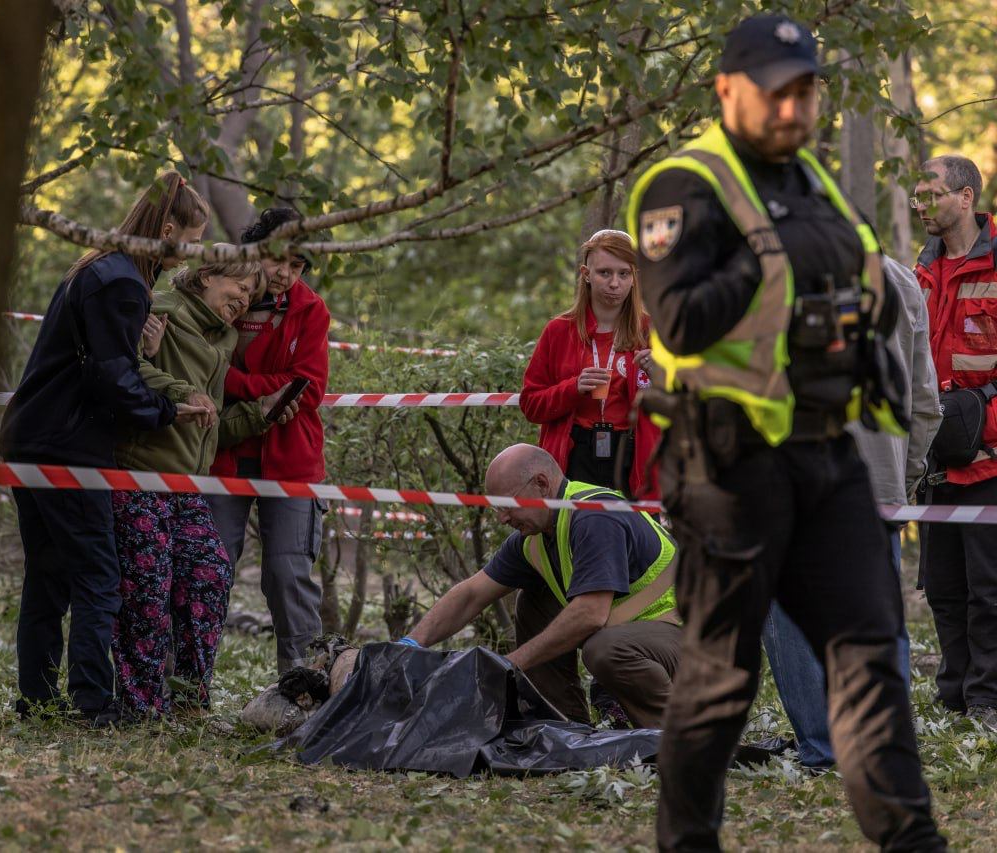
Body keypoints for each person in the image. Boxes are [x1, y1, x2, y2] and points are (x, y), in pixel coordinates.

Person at [627, 14, 943, 850]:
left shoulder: (811, 179)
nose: (792, 106)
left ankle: (913, 841)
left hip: (829, 454)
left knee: (872, 660)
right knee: (720, 680)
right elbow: (680, 321)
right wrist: (767, 264)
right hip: (730, 464)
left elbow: (863, 281)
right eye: (775, 89)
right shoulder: (683, 185)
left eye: (805, 90)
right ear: (729, 89)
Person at [0, 172, 212, 727]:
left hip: (31, 434)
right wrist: (166, 411)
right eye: (188, 240)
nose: (188, 255)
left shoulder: (96, 268)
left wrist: (138, 339)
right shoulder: (122, 282)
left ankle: (38, 700)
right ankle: (94, 704)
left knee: (47, 576)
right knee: (98, 575)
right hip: (68, 446)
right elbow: (111, 378)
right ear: (166, 230)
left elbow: (97, 357)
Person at [761, 256, 940, 769]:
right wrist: (901, 483)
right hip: (874, 482)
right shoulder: (900, 278)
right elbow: (925, 400)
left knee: (789, 615)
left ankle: (824, 747)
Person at [111, 251, 299, 717]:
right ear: (208, 275)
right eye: (240, 287)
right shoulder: (160, 308)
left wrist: (261, 413)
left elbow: (209, 426)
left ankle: (190, 701)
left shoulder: (223, 338)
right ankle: (140, 705)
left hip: (189, 483)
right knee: (148, 587)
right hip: (140, 473)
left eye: (252, 296)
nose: (244, 300)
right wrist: (176, 386)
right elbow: (119, 369)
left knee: (209, 574)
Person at [398, 444, 681, 728]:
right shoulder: (535, 537)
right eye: (497, 508)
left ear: (541, 484)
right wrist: (409, 645)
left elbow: (590, 614)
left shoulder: (594, 516)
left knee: (604, 649)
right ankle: (566, 726)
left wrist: (511, 663)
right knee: (534, 599)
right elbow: (472, 594)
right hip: (650, 637)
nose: (502, 518)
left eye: (507, 505)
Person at [209, 207, 332, 675]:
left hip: (291, 457)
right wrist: (268, 389)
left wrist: (235, 382)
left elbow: (310, 388)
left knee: (287, 574)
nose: (284, 273)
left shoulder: (311, 309)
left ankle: (302, 685)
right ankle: (183, 683)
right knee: (211, 566)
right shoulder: (225, 294)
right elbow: (204, 370)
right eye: (277, 260)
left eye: (297, 266)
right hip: (225, 451)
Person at [913, 154, 997, 727]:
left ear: (965, 198)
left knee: (989, 592)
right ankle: (954, 696)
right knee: (942, 587)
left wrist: (977, 424)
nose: (922, 204)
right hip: (934, 461)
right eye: (918, 195)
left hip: (988, 461)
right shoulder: (917, 272)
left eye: (932, 194)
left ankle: (988, 699)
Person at [520, 229, 660, 499]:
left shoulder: (652, 332)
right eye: (604, 273)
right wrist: (572, 388)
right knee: (576, 538)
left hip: (633, 459)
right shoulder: (559, 331)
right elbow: (530, 404)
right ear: (586, 274)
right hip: (574, 455)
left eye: (624, 273)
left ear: (635, 277)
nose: (614, 283)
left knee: (629, 539)